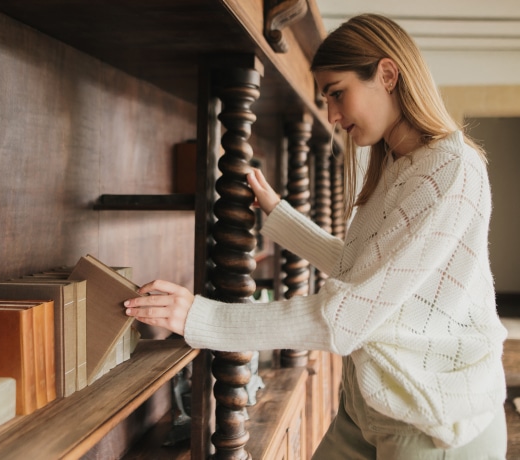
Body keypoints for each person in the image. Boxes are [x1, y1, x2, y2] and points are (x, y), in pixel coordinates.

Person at [124, 13, 508, 459]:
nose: (332, 114)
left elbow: (345, 316)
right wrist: (279, 215)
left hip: (433, 423)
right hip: (371, 406)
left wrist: (201, 318)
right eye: (326, 98)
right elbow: (360, 269)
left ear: (387, 75)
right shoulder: (399, 166)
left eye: (338, 93)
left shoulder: (449, 169)